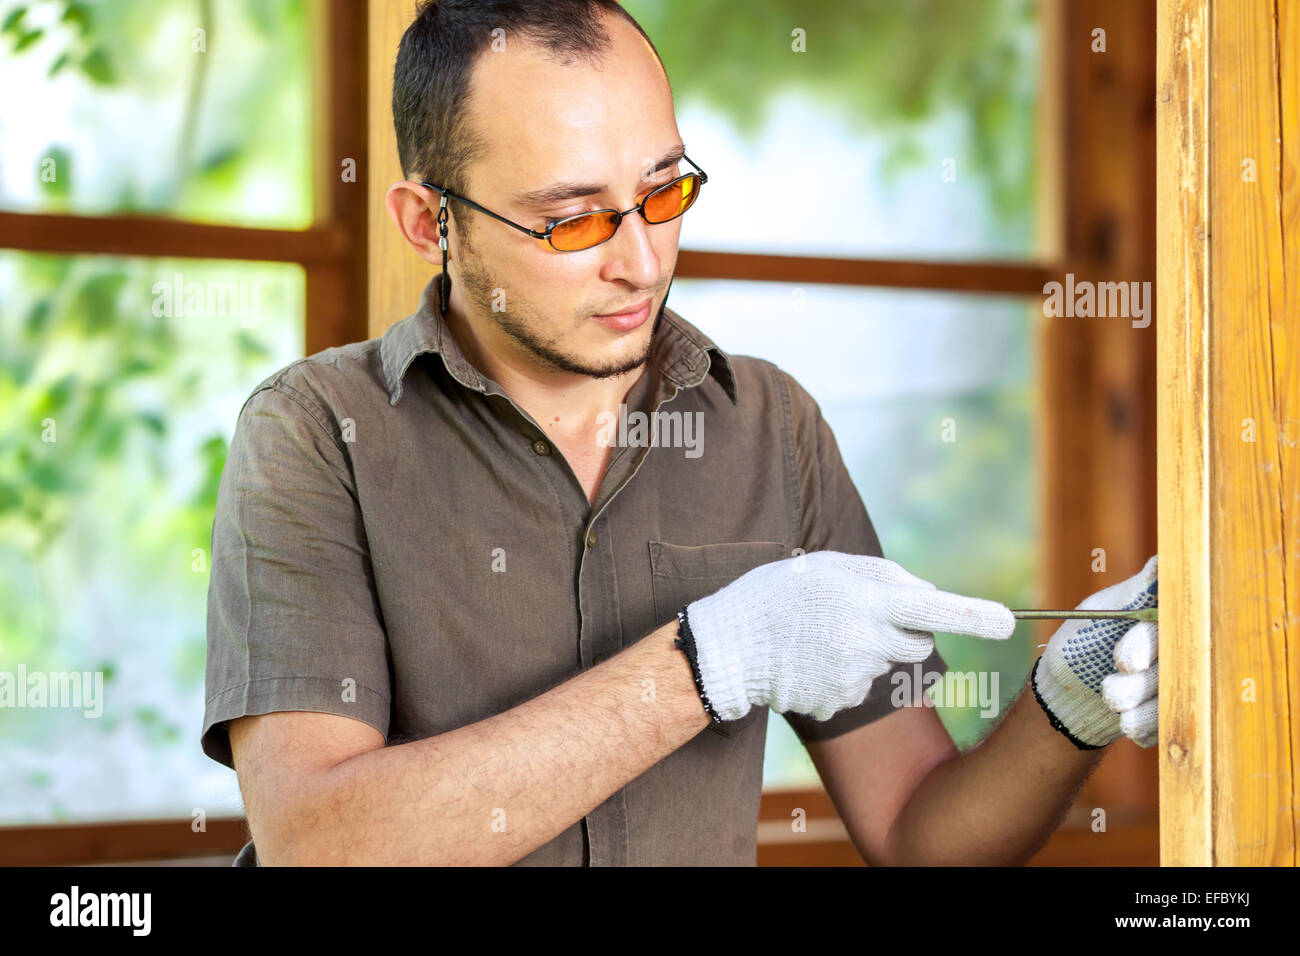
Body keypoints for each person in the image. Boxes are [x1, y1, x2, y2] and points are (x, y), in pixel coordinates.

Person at [201, 0, 1159, 866]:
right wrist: (712, 662)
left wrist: (1067, 700)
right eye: (574, 221)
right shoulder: (315, 435)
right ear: (430, 223)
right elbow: (317, 847)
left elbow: (920, 832)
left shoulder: (771, 430)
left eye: (664, 191)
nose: (644, 260)